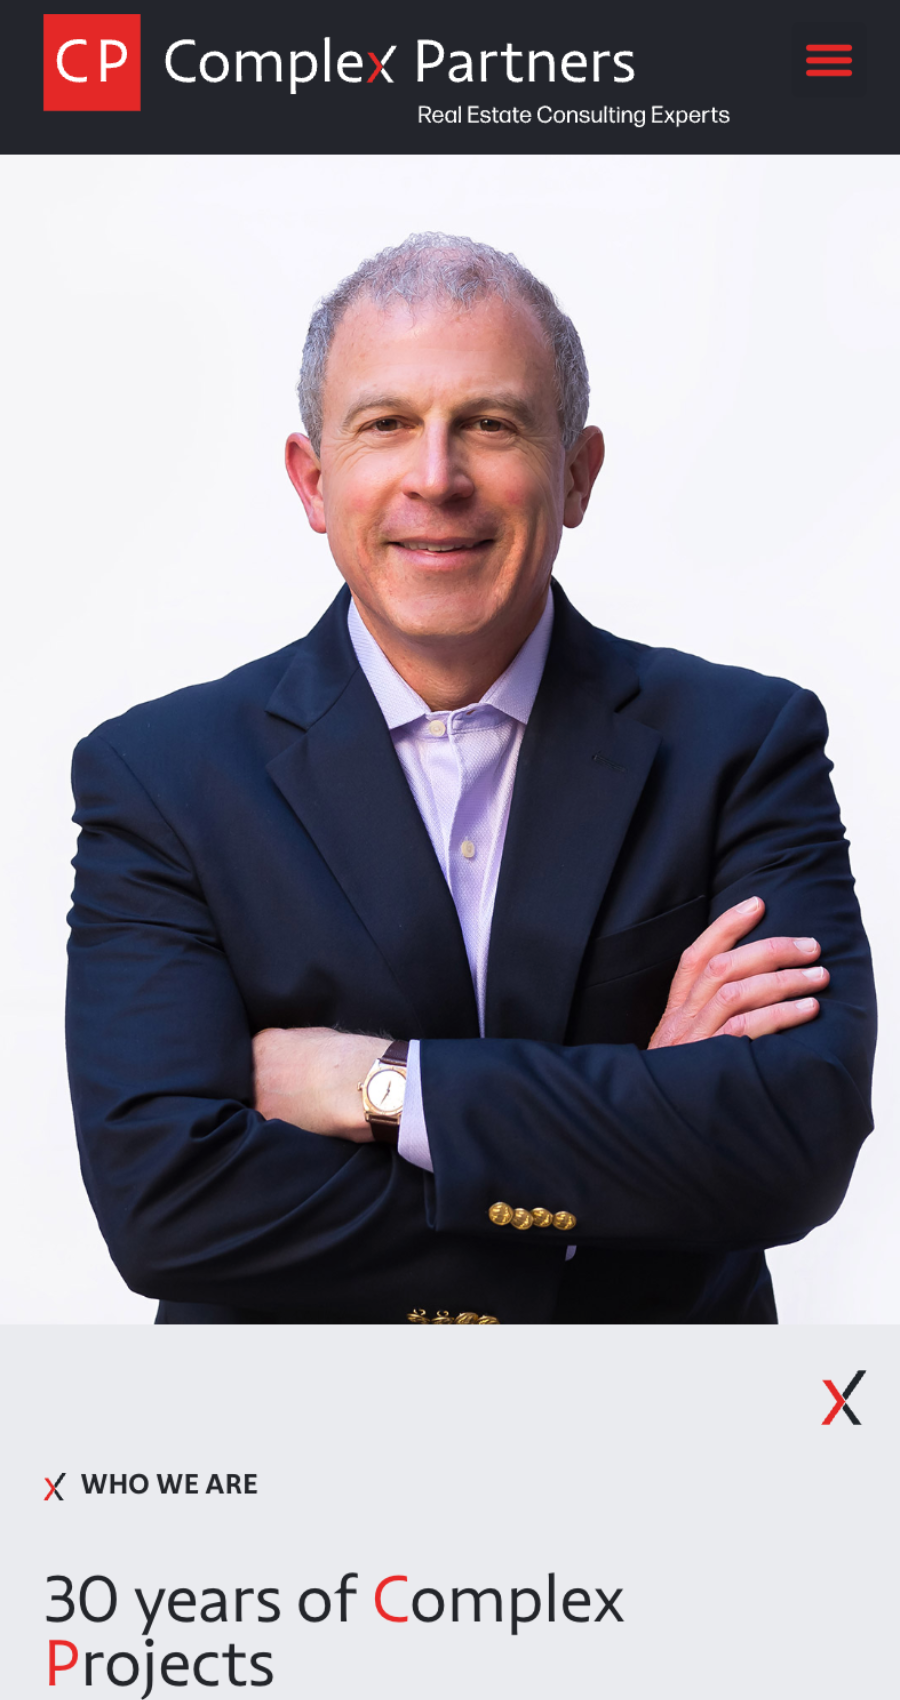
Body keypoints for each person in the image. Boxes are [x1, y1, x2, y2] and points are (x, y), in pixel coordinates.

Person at [66, 233, 876, 1325]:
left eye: (491, 424)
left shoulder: (742, 744)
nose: (436, 477)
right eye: (386, 424)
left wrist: (375, 1085)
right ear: (314, 481)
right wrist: (627, 1148)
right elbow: (166, 1203)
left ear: (576, 473)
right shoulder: (160, 777)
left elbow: (793, 1140)